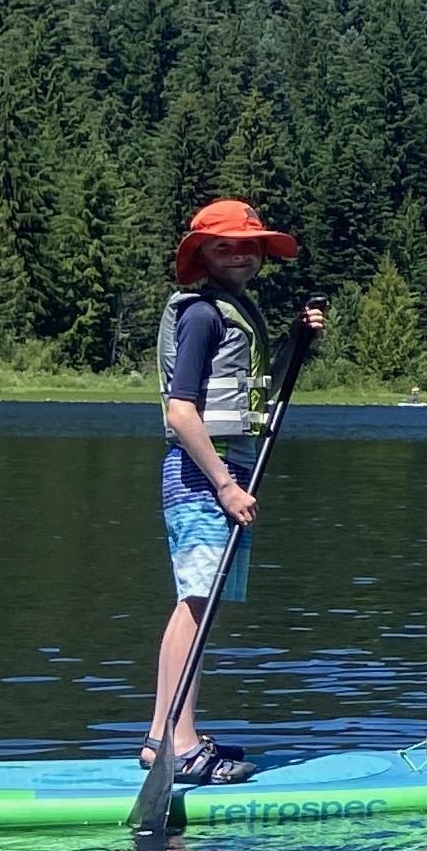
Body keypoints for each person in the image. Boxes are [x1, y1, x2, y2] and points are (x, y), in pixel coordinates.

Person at [151, 200, 325, 785]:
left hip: (226, 470)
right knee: (195, 606)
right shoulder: (201, 314)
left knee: (204, 607)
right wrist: (225, 485)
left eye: (248, 246)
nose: (238, 255)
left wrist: (298, 341)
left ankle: (168, 737)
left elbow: (259, 390)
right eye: (223, 246)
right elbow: (180, 412)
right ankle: (173, 740)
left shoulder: (238, 311)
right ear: (202, 254)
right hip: (206, 473)